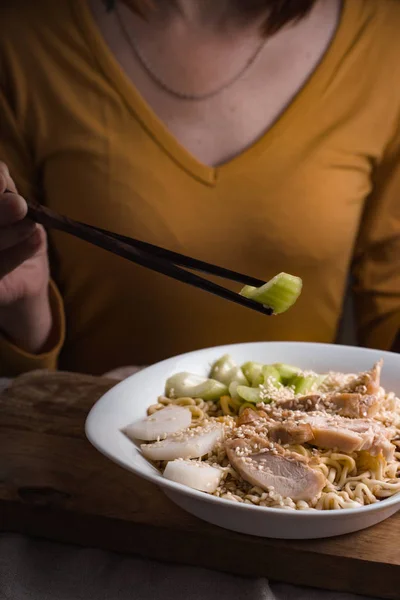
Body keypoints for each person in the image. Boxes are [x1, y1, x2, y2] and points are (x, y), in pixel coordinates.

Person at [0, 0, 399, 377]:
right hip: (79, 435)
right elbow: (18, 303)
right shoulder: (22, 36)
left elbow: (390, 313)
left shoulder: (385, 38)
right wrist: (24, 311)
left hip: (308, 440)